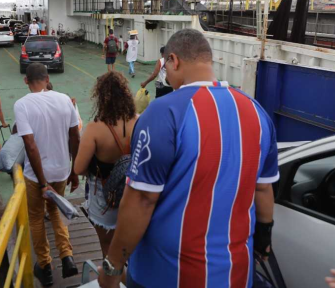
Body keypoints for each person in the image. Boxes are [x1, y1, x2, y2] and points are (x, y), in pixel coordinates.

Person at [99, 29, 278, 288]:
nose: (168, 77)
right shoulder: (257, 112)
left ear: (174, 60)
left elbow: (141, 199)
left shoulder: (163, 113)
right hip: (235, 274)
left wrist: (112, 267)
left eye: (167, 68)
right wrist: (263, 240)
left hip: (165, 274)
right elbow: (263, 190)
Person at [14, 63, 81, 286]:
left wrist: (43, 184)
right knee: (55, 210)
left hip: (37, 176)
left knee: (35, 217)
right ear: (47, 77)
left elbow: (30, 146)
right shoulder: (64, 99)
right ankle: (67, 255)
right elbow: (75, 137)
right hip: (61, 170)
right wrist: (74, 171)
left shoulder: (22, 105)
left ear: (26, 81)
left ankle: (45, 266)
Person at [74, 72, 138, 259]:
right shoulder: (138, 121)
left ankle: (114, 279)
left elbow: (78, 168)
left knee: (107, 246)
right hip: (133, 190)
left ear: (100, 97)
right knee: (131, 243)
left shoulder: (95, 128)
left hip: (104, 195)